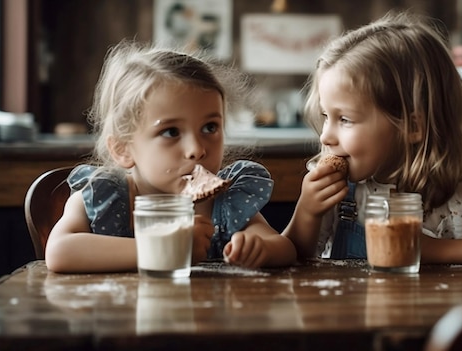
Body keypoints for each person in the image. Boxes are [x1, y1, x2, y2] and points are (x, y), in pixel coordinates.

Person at [282, 11, 462, 265]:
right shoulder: (338, 187)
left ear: (412, 126)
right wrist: (307, 212)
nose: (326, 136)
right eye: (326, 116)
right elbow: (295, 257)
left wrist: (429, 250)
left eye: (345, 120)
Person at [46, 40, 296, 273]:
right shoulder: (105, 196)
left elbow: (284, 248)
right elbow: (60, 252)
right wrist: (164, 250)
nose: (197, 149)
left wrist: (258, 248)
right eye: (171, 132)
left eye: (210, 128)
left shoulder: (225, 202)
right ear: (123, 148)